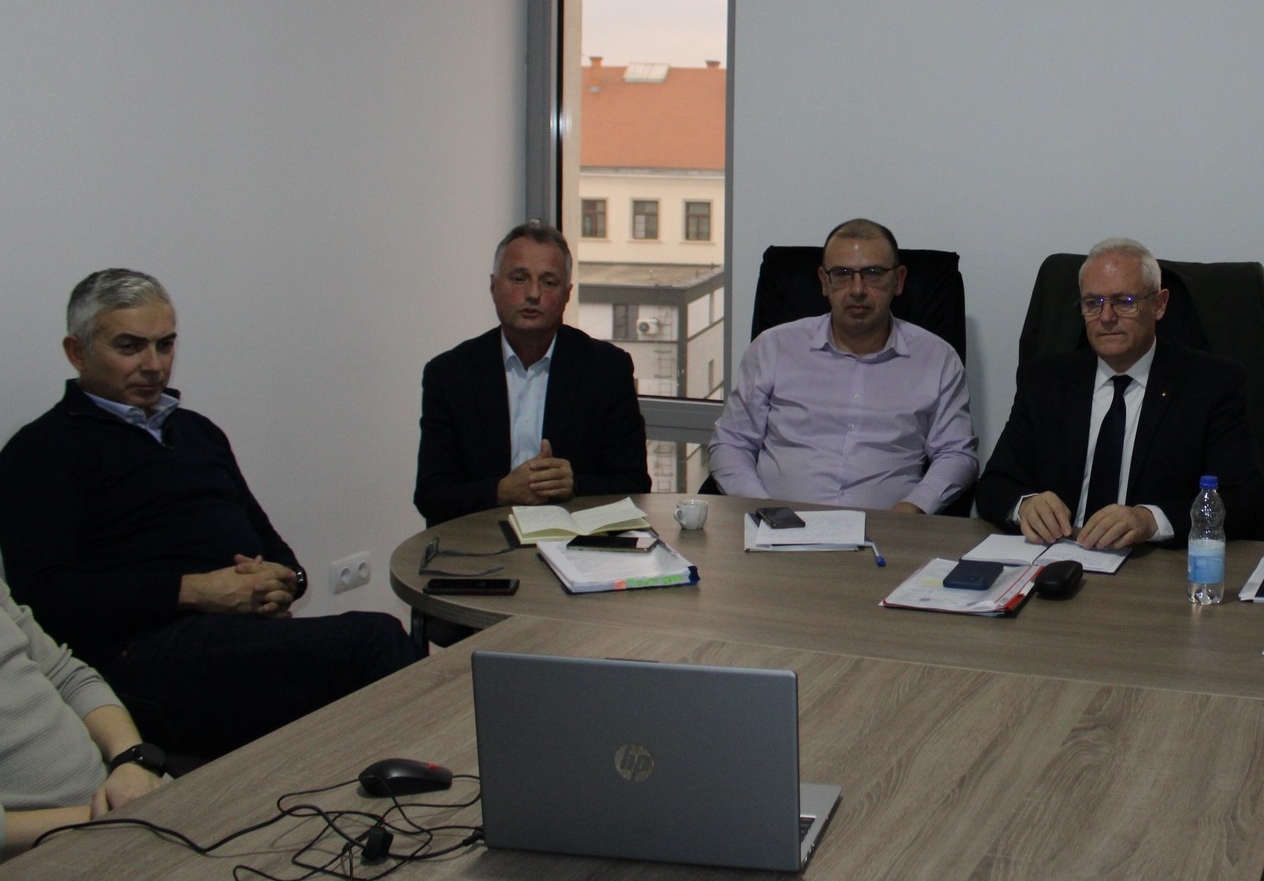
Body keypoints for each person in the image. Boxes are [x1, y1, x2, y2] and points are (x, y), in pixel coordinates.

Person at [0, 269, 419, 759]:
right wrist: (194, 591)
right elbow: (44, 595)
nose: (154, 365)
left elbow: (278, 551)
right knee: (373, 640)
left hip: (237, 637)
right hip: (139, 657)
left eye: (165, 345)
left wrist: (282, 584)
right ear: (78, 352)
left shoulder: (198, 432)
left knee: (371, 655)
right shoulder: (40, 451)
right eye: (130, 347)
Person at [976, 238, 1264, 548]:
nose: (1106, 317)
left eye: (1124, 301)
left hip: (1153, 564)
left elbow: (1245, 500)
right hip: (1058, 554)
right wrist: (1026, 506)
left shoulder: (1211, 384)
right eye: (1093, 303)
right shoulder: (1045, 381)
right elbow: (994, 483)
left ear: (1159, 305)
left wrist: (1152, 520)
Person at [708, 218, 977, 513]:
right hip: (777, 527)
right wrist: (762, 508)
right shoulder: (772, 348)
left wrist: (914, 507)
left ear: (898, 280)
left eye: (873, 273)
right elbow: (731, 444)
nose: (857, 289)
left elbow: (956, 453)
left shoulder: (937, 358)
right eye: (842, 274)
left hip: (888, 530)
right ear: (824, 282)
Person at [416, 221, 651, 526]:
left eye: (549, 282)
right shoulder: (450, 374)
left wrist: (575, 485)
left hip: (572, 541)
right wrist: (500, 491)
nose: (532, 294)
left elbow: (635, 485)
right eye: (519, 278)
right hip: (480, 540)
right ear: (494, 287)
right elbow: (431, 495)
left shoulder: (606, 369)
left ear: (567, 295)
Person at [0, 573, 164, 860]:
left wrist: (133, 759)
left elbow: (67, 676)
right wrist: (110, 816)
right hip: (50, 850)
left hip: (129, 799)